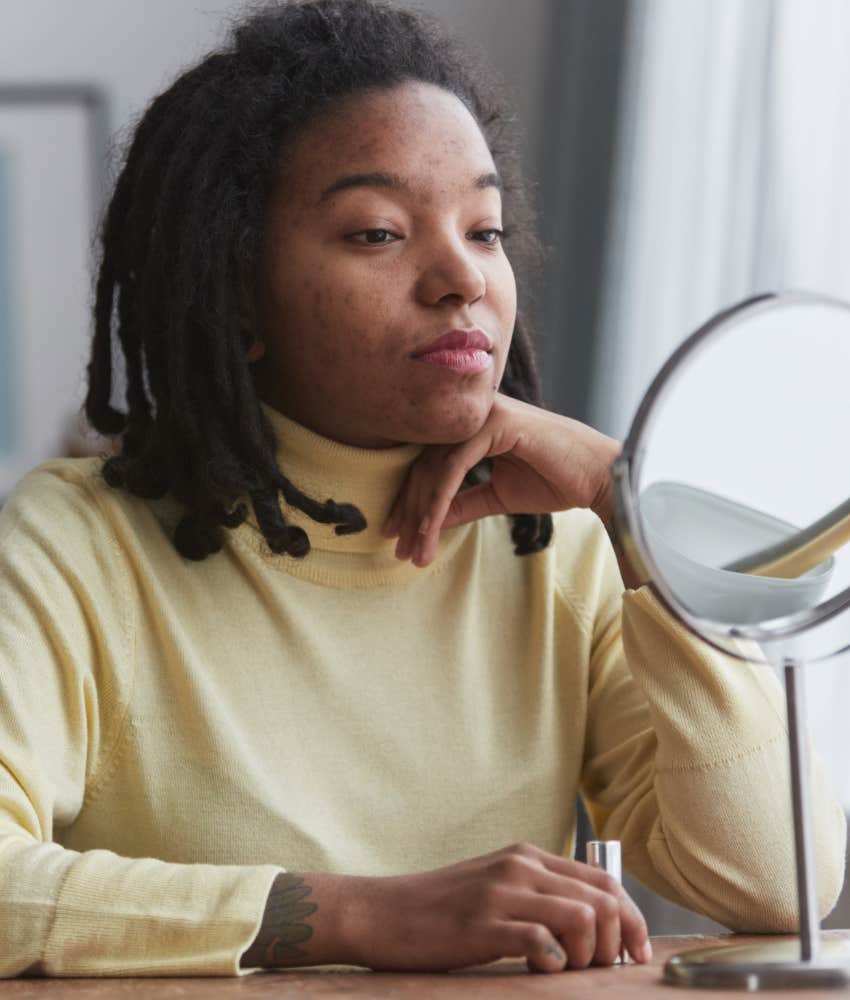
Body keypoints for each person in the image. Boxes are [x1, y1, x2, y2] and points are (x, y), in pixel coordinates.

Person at [0, 0, 844, 979]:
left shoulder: (560, 552)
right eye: (376, 233)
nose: (460, 277)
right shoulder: (77, 543)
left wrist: (631, 510)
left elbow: (782, 885)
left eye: (483, 229)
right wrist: (345, 916)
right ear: (238, 292)